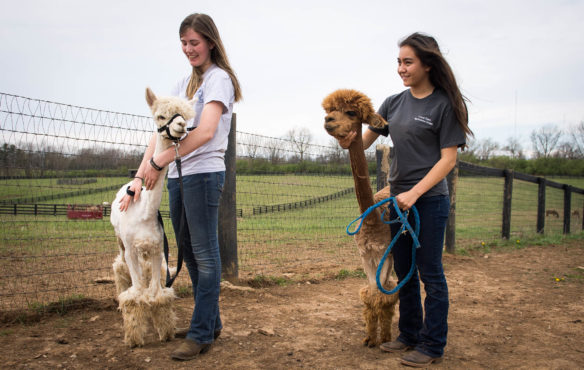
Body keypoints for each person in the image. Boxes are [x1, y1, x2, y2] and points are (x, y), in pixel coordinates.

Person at [337, 32, 472, 367]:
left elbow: (448, 159)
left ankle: (432, 344)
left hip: (428, 201)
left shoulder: (444, 105)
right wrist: (347, 136)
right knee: (407, 270)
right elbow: (363, 143)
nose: (401, 68)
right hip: (397, 202)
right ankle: (408, 334)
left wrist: (414, 192)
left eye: (407, 61)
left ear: (428, 64)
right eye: (398, 62)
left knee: (430, 272)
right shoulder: (393, 103)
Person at [118, 13, 242, 361]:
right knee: (188, 249)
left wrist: (161, 161)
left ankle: (202, 332)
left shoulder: (219, 80)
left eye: (195, 43)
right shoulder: (182, 85)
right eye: (184, 44)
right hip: (176, 176)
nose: (189, 49)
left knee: (205, 253)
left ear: (211, 43)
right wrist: (141, 177)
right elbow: (158, 135)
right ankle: (210, 322)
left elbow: (204, 132)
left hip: (203, 174)